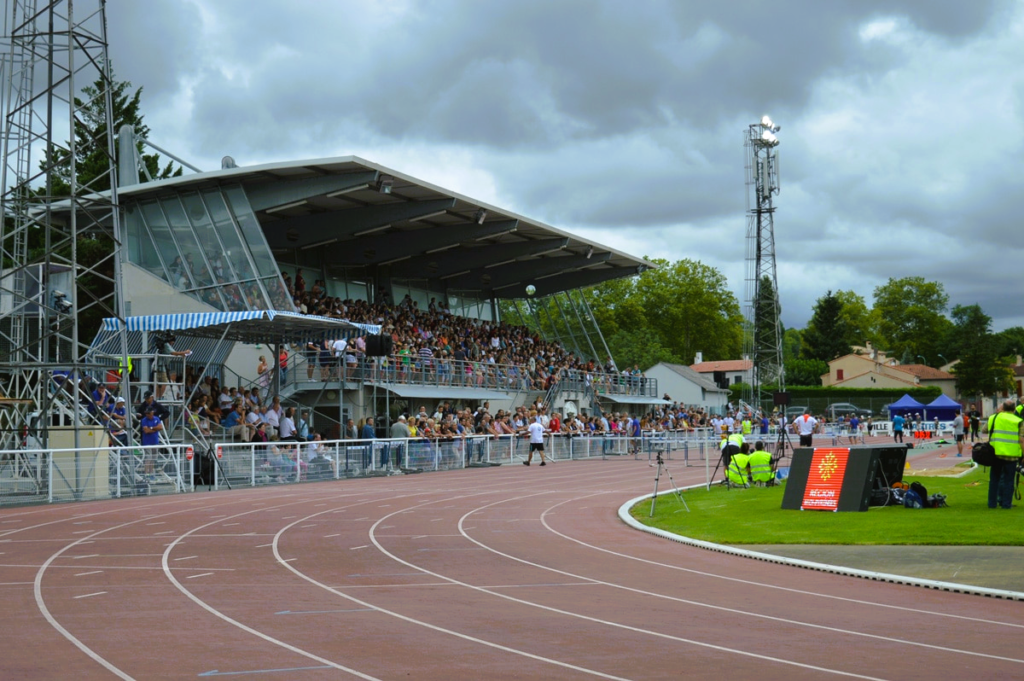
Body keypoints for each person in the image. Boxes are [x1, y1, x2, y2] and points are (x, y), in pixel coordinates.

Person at [982, 400, 1024, 510]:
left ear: (1003, 408)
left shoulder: (993, 418)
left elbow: (984, 430)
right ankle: (1006, 504)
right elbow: (1022, 440)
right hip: (1012, 454)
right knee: (1009, 480)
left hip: (996, 454)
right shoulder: (1019, 420)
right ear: (1014, 409)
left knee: (994, 479)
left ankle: (992, 503)